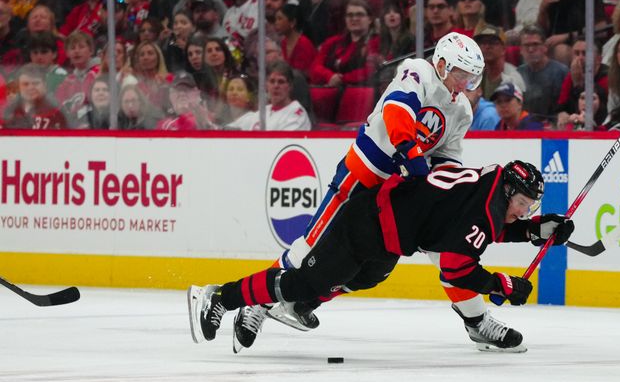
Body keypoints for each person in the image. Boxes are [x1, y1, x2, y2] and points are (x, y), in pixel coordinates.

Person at [231, 33, 531, 354]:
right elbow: (397, 112)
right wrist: (412, 154)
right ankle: (256, 305)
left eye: (472, 78)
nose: (465, 83)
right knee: (311, 246)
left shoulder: (462, 112)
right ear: (442, 64)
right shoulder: (417, 71)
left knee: (444, 248)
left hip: (399, 195)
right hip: (362, 177)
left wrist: (447, 197)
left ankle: (477, 321)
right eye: (461, 74)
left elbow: (447, 161)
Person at [189, 160, 575, 352]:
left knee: (367, 276)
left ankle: (293, 303)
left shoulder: (492, 184)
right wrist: (503, 285)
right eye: (523, 204)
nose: (524, 210)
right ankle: (219, 296)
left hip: (388, 236)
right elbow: (457, 269)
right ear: (509, 192)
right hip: (367, 223)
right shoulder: (485, 209)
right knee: (300, 280)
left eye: (530, 206)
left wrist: (537, 230)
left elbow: (484, 230)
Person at [517, 25, 569, 121]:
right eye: (527, 45)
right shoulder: (517, 74)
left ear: (545, 47)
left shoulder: (561, 72)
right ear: (520, 50)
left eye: (535, 44)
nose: (531, 49)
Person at [2, 64, 66, 130]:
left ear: (44, 85)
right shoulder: (10, 111)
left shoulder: (57, 111)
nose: (30, 88)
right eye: (25, 84)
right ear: (19, 87)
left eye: (35, 83)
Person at [263, 61, 311, 130]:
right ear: (266, 85)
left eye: (281, 82)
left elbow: (285, 140)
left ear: (290, 86)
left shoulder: (297, 115)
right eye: (272, 81)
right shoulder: (264, 110)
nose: (276, 86)